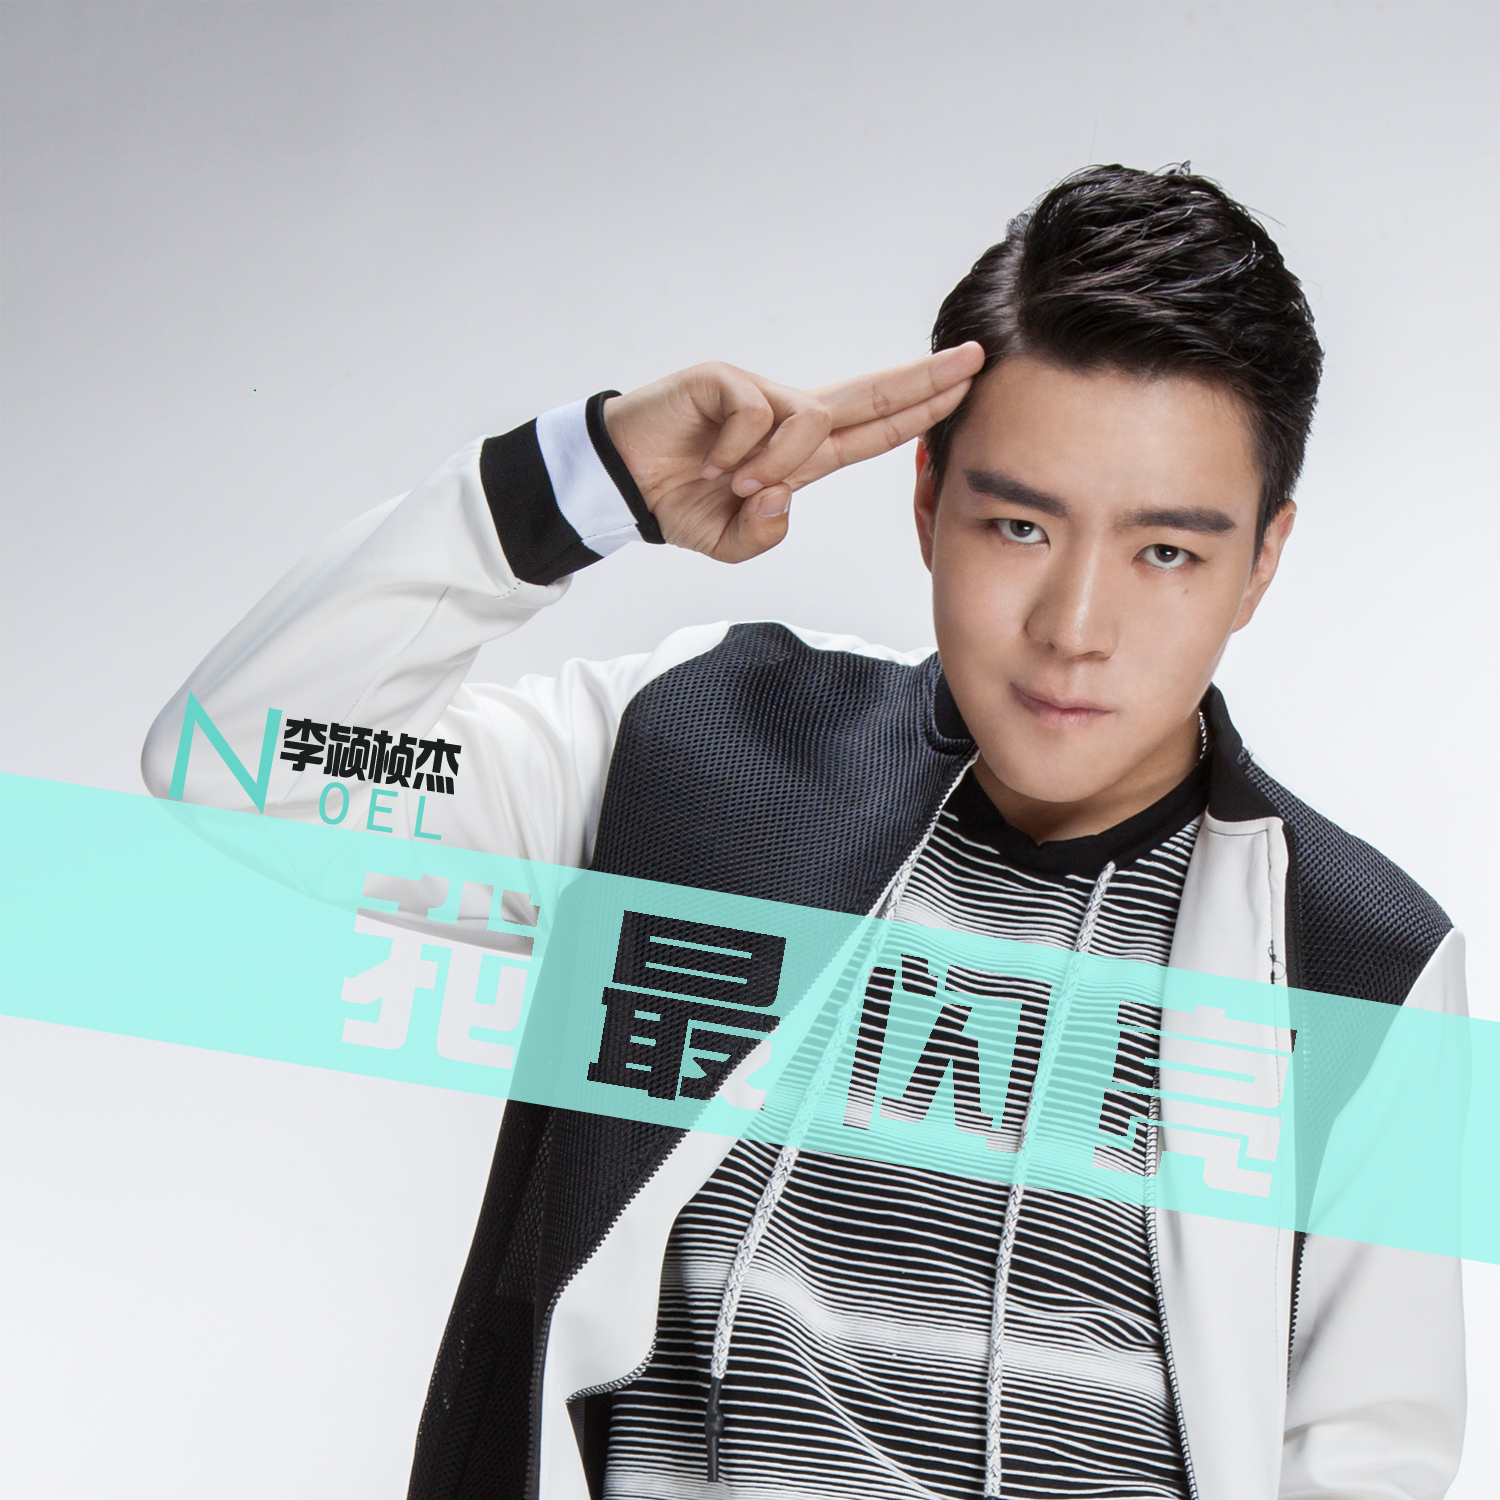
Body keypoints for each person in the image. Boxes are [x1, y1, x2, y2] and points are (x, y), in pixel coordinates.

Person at [142, 165, 1467, 1500]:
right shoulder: (705, 755)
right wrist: (584, 483)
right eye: (1020, 525)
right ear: (926, 501)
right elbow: (243, 760)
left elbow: (1363, 1463)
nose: (1075, 627)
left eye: (1165, 552)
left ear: (1262, 560)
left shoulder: (1360, 961)